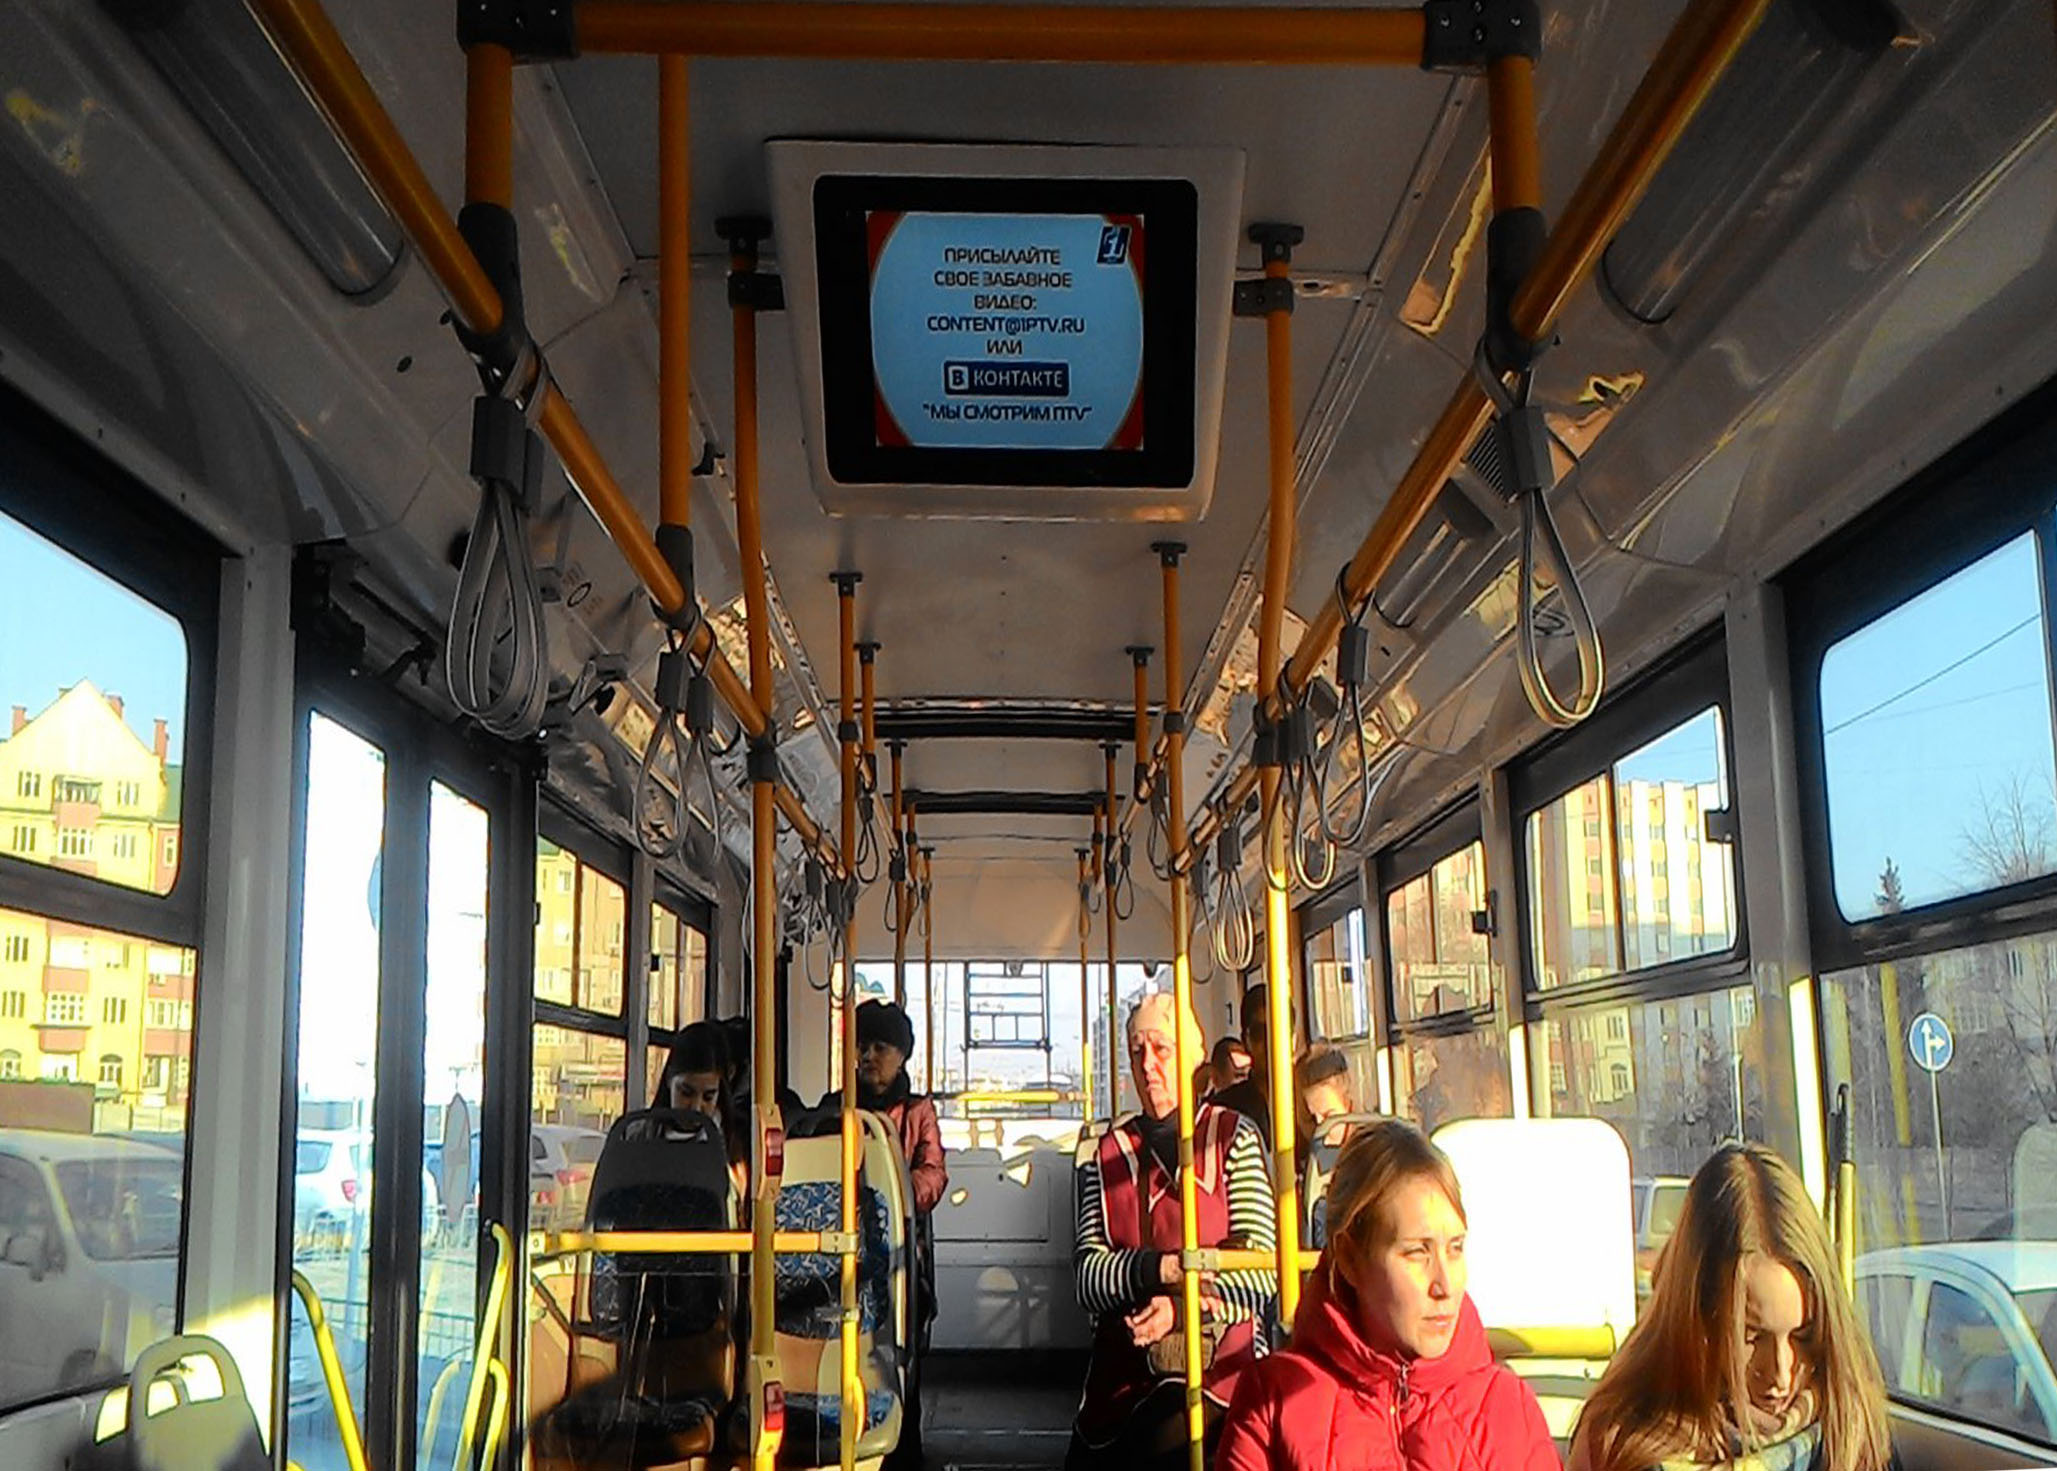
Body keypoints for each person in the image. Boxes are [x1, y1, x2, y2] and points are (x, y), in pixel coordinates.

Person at [1217, 1119, 1557, 1471]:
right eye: (1417, 1252)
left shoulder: (1508, 1407)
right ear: (1350, 1259)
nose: (1445, 1286)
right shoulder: (1274, 1405)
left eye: (1455, 1248)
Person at [1568, 1143, 1897, 1471]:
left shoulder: (1848, 1426)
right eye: (1751, 1336)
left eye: (1803, 1335)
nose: (1781, 1373)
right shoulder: (1621, 1442)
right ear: (1697, 1316)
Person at [1068, 992, 1277, 1471]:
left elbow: (1262, 1269)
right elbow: (1087, 1277)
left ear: (1192, 1059)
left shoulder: (1234, 1137)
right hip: (1126, 1370)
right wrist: (1156, 1270)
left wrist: (1181, 1309)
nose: (1148, 1065)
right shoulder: (1108, 1153)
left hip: (1222, 1365)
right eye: (1137, 1051)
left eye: (1161, 1049)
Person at [817, 999, 947, 1471]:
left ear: (902, 1056)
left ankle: (903, 1449)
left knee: (899, 1360)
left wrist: (891, 1194)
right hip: (844, 1247)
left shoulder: (916, 1112)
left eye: (881, 1047)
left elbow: (933, 1173)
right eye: (863, 1046)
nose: (869, 1056)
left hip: (900, 1254)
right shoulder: (835, 1107)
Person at [1210, 983, 1293, 1146]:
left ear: (1293, 1037)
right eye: (1260, 1032)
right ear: (1245, 1040)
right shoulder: (1223, 1112)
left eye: (1280, 1030)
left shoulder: (1311, 1107)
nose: (1272, 1041)